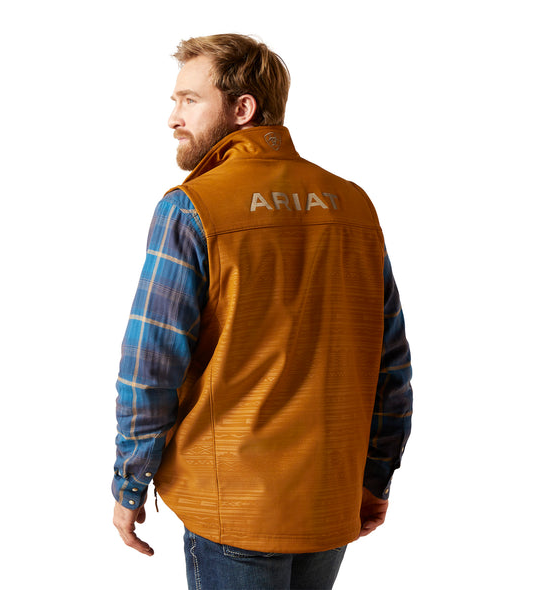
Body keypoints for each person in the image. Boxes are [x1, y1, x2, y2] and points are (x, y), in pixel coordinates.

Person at [112, 33, 412, 590]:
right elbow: (391, 364)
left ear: (242, 108)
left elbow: (149, 365)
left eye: (189, 100)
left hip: (233, 505)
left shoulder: (192, 207)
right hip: (329, 497)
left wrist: (131, 482)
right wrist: (375, 477)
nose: (173, 117)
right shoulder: (353, 204)